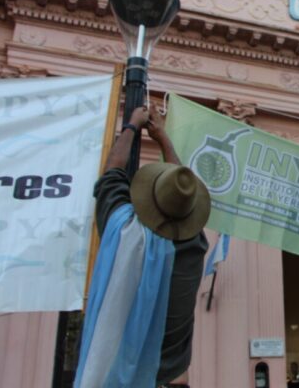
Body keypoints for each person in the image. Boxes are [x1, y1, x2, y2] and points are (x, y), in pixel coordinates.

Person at [88, 106, 209, 388]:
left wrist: (132, 126)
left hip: (121, 377)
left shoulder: (125, 236)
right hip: (172, 379)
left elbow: (112, 173)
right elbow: (183, 185)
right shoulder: (194, 246)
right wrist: (163, 138)